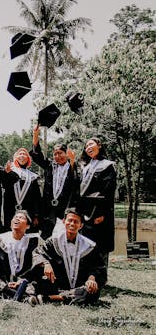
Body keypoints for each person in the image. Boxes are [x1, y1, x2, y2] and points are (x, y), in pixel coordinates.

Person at [31, 208, 106, 305]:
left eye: (76, 222)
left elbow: (98, 267)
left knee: (91, 292)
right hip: (56, 284)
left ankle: (51, 298)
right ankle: (66, 297)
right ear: (63, 221)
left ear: (81, 225)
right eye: (69, 220)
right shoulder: (53, 242)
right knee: (39, 281)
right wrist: (45, 263)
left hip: (79, 286)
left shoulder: (89, 246)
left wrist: (92, 279)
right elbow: (38, 253)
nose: (72, 224)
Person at [0, 210, 41, 301]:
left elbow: (39, 261)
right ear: (11, 224)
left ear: (27, 226)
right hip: (4, 281)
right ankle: (24, 298)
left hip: (24, 280)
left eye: (21, 217)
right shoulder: (0, 238)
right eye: (15, 217)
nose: (17, 218)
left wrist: (20, 281)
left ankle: (9, 295)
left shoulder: (34, 241)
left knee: (32, 286)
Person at [31, 125, 78, 238]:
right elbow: (37, 156)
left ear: (67, 154)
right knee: (47, 238)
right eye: (55, 153)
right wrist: (36, 135)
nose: (57, 156)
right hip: (48, 210)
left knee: (63, 238)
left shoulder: (73, 167)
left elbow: (76, 182)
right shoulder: (50, 166)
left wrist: (72, 162)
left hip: (65, 209)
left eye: (60, 153)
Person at [77, 137, 117, 269]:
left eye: (91, 144)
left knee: (100, 244)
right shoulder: (85, 167)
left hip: (100, 211)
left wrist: (101, 213)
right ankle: (88, 275)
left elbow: (108, 191)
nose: (88, 147)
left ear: (99, 145)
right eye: (86, 146)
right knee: (86, 243)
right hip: (85, 211)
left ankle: (101, 275)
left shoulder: (107, 166)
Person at [3, 148, 41, 232]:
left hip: (28, 212)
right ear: (15, 157)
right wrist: (7, 174)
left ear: (28, 158)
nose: (22, 156)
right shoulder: (9, 172)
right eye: (20, 154)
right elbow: (5, 185)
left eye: (24, 154)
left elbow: (36, 198)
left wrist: (36, 215)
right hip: (10, 210)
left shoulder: (32, 177)